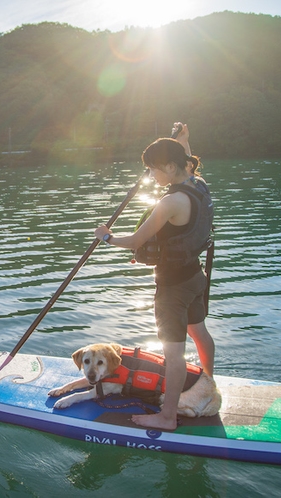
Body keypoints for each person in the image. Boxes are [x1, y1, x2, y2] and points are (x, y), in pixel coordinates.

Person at [94, 123, 215, 431]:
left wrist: (106, 237)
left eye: (155, 170)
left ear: (171, 167)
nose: (152, 176)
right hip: (195, 276)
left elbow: (135, 241)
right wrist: (183, 142)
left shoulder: (170, 202)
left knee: (173, 355)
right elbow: (186, 161)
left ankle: (167, 416)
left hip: (172, 287)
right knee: (199, 332)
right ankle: (207, 383)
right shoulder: (197, 183)